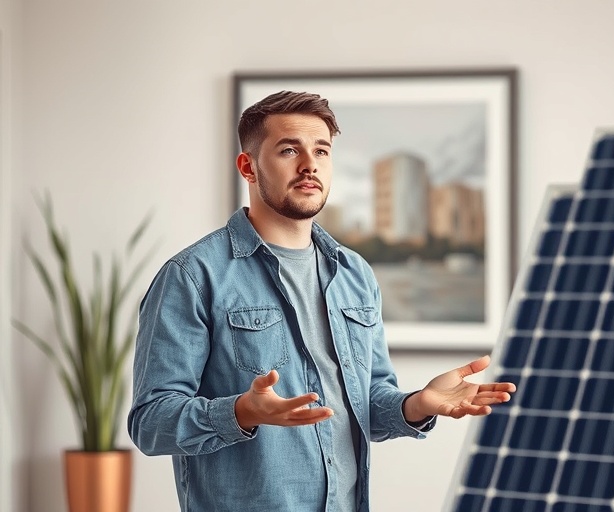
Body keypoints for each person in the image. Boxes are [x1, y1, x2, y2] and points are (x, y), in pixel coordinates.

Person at [127, 90, 517, 512]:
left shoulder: (355, 274)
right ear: (248, 167)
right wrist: (242, 411)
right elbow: (151, 423)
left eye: (322, 151)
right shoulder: (191, 276)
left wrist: (417, 403)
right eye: (289, 149)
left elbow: (367, 401)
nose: (309, 164)